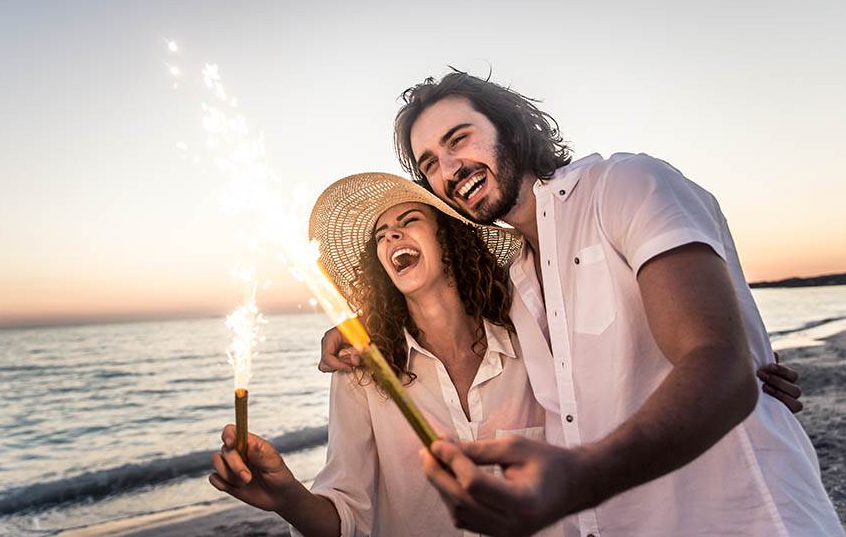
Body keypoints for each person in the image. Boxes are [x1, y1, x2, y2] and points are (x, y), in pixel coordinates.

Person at [318, 72, 841, 536]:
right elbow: (443, 311)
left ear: (513, 129)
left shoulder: (626, 186)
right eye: (430, 163)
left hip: (741, 517)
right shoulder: (516, 282)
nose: (450, 168)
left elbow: (718, 362)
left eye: (459, 139)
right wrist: (361, 326)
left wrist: (584, 477)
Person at [210, 173, 560, 536]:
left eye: (409, 221)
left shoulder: (530, 333)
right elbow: (344, 518)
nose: (392, 235)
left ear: (452, 238)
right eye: (382, 235)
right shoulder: (360, 369)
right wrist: (288, 498)